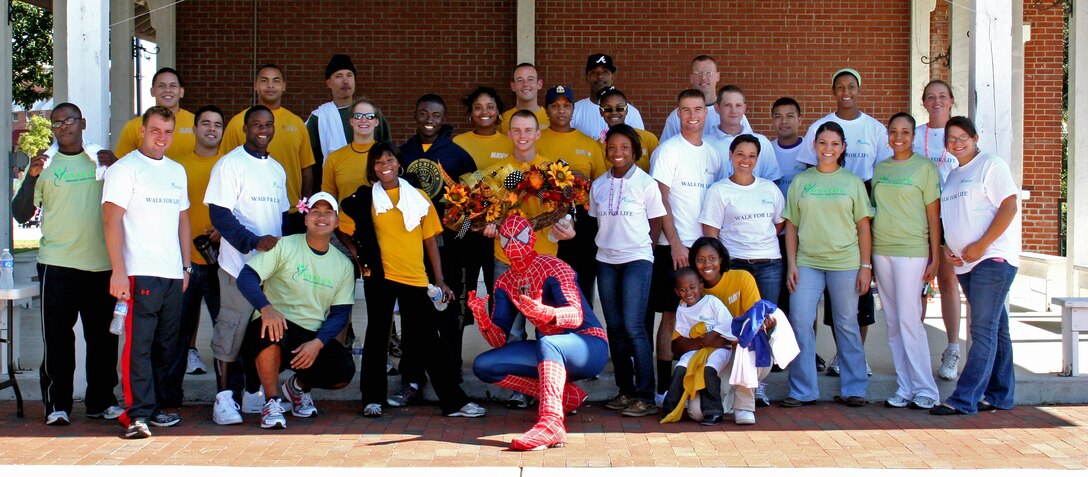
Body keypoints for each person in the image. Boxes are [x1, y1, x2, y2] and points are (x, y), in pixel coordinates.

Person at [341, 142, 485, 419]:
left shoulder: (418, 196)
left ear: (398, 163)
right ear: (372, 168)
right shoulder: (364, 199)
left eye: (390, 160)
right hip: (380, 276)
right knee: (377, 336)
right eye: (378, 162)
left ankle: (454, 402)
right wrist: (358, 254)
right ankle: (372, 399)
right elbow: (342, 225)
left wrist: (440, 279)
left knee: (429, 339)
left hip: (415, 276)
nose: (385, 166)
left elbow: (430, 240)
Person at [11, 103, 123, 426]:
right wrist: (31, 177)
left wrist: (116, 167)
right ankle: (56, 405)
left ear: (83, 123)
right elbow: (21, 213)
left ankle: (100, 402)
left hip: (101, 265)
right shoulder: (44, 165)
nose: (63, 127)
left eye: (69, 120)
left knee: (103, 341)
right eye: (57, 123)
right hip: (57, 266)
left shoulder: (101, 159)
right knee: (58, 340)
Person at [468, 215, 608, 450]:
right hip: (550, 351)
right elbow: (499, 339)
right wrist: (482, 318)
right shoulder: (505, 281)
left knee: (548, 342)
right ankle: (566, 397)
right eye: (506, 238)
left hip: (588, 345)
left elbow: (576, 316)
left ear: (532, 238)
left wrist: (544, 312)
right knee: (485, 365)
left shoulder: (555, 267)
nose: (513, 243)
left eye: (519, 236)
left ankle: (551, 424)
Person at [102, 106, 191, 439]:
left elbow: (183, 220)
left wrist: (185, 267)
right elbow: (111, 220)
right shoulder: (124, 170)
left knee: (164, 346)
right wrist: (119, 272)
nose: (161, 138)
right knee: (137, 346)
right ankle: (135, 414)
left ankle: (151, 408)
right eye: (155, 130)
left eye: (167, 132)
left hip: (171, 273)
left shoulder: (176, 171)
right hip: (138, 271)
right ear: (142, 131)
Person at [235, 192, 356, 429]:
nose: (321, 217)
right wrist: (266, 308)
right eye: (315, 212)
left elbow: (340, 312)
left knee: (343, 371)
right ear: (305, 218)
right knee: (269, 328)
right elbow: (246, 276)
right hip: (276, 325)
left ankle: (297, 388)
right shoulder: (284, 245)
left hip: (310, 336)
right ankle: (271, 402)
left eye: (328, 213)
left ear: (337, 221)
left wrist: (318, 343)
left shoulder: (343, 264)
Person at [797, 70, 888, 374]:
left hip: (857, 207)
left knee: (855, 306)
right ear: (833, 91)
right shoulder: (817, 128)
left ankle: (852, 360)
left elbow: (882, 172)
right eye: (840, 87)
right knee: (820, 306)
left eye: (851, 87)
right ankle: (817, 362)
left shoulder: (874, 128)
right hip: (820, 218)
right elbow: (811, 172)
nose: (846, 91)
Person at [204, 105, 290, 425]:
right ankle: (224, 398)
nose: (263, 130)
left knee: (261, 332)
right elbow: (220, 215)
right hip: (237, 265)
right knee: (231, 331)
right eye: (256, 124)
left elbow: (281, 218)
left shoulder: (277, 170)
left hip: (269, 269)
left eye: (268, 124)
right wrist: (253, 241)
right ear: (245, 128)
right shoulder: (230, 164)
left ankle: (253, 395)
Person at [931, 116, 1021, 416]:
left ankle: (964, 398)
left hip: (991, 259)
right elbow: (953, 219)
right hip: (964, 264)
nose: (957, 142)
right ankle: (1000, 395)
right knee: (997, 329)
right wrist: (948, 249)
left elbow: (1009, 205)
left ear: (975, 137)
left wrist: (981, 245)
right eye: (951, 139)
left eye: (962, 137)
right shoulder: (954, 175)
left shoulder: (991, 165)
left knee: (981, 329)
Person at [392, 93, 477, 408]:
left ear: (444, 119)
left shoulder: (458, 156)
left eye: (436, 114)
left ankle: (450, 377)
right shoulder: (402, 152)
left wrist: (459, 234)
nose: (430, 119)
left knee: (451, 316)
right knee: (415, 317)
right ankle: (411, 379)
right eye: (424, 112)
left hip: (451, 251)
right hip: (412, 251)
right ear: (415, 115)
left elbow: (473, 207)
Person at [780, 121, 873, 408]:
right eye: (822, 143)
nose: (828, 149)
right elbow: (792, 226)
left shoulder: (853, 183)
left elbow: (863, 228)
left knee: (847, 323)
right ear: (814, 146)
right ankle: (803, 390)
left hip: (846, 262)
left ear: (843, 147)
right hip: (807, 262)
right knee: (800, 321)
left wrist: (866, 266)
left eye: (834, 144)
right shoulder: (801, 181)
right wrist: (792, 264)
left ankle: (854, 388)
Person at [648, 89, 722, 406]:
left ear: (706, 114)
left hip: (703, 250)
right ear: (678, 114)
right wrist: (675, 241)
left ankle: (697, 381)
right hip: (672, 247)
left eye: (697, 109)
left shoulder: (714, 154)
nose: (692, 115)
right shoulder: (668, 150)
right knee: (669, 317)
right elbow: (660, 199)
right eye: (685, 110)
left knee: (705, 318)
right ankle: (663, 386)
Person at [590, 124, 665, 417]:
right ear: (606, 151)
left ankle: (645, 395)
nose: (618, 153)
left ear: (634, 150)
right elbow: (596, 221)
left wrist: (645, 249)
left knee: (635, 327)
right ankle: (626, 391)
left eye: (624, 148)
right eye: (612, 148)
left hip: (637, 259)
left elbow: (656, 222)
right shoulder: (599, 185)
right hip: (606, 260)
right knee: (616, 329)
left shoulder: (646, 184)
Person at [871, 112, 942, 410]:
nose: (899, 137)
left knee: (909, 320)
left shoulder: (924, 168)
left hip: (912, 251)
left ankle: (926, 388)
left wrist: (935, 257)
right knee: (892, 322)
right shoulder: (880, 168)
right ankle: (905, 387)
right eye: (894, 132)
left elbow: (933, 215)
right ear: (887, 135)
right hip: (881, 250)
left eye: (905, 132)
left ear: (914, 136)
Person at [164, 105, 225, 408]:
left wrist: (224, 228)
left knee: (225, 334)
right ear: (196, 129)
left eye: (217, 124)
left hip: (220, 264)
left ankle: (227, 395)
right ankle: (170, 396)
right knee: (176, 335)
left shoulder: (230, 166)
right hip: (183, 262)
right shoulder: (176, 166)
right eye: (205, 123)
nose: (211, 129)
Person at [220, 64, 314, 234]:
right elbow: (223, 170)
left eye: (276, 81)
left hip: (291, 213)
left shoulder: (297, 124)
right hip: (247, 212)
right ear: (255, 85)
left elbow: (306, 170)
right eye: (264, 80)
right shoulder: (237, 123)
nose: (270, 85)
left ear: (284, 86)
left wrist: (304, 207)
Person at [687, 237, 770, 421]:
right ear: (693, 262)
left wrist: (720, 336)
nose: (706, 264)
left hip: (746, 352)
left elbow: (754, 324)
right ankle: (732, 392)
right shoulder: (692, 289)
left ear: (721, 259)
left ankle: (744, 406)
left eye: (711, 258)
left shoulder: (742, 277)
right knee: (697, 413)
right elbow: (683, 339)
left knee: (751, 339)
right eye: (700, 259)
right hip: (715, 357)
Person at [913, 79, 963, 380]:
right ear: (923, 102)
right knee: (918, 285)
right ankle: (915, 349)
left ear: (951, 100)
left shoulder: (959, 135)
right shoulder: (917, 136)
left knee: (948, 282)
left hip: (952, 217)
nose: (937, 101)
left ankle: (953, 348)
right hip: (919, 218)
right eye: (931, 97)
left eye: (942, 96)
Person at [700, 134, 786, 306]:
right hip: (734, 264)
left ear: (757, 159)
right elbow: (710, 232)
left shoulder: (770, 188)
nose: (746, 160)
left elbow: (779, 222)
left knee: (766, 318)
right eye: (740, 154)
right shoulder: (719, 190)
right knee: (734, 319)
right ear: (730, 155)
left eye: (751, 155)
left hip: (769, 265)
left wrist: (758, 239)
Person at [537, 84, 604, 302]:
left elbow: (601, 186)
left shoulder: (589, 144)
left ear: (573, 109)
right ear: (546, 110)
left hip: (582, 222)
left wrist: (582, 181)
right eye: (555, 106)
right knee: (548, 286)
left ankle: (583, 331)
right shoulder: (537, 140)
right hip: (545, 219)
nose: (561, 110)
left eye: (566, 105)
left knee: (581, 282)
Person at [770, 96, 819, 369]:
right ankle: (778, 351)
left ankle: (807, 351)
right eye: (778, 116)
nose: (784, 121)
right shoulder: (767, 149)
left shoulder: (810, 152)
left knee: (804, 296)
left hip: (805, 232)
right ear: (772, 120)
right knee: (779, 296)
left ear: (800, 120)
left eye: (790, 116)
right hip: (775, 232)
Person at [660, 267, 734, 426]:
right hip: (698, 349)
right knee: (680, 367)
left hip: (719, 349)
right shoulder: (681, 310)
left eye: (692, 287)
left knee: (709, 370)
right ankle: (670, 407)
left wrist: (712, 335)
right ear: (677, 292)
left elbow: (728, 322)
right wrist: (701, 341)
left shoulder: (711, 302)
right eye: (683, 289)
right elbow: (682, 337)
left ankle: (714, 412)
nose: (688, 293)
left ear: (701, 286)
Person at [306, 54, 392, 190]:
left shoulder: (371, 114)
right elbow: (310, 161)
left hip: (374, 186)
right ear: (329, 82)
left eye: (349, 75)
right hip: (334, 187)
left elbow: (387, 149)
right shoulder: (319, 117)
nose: (345, 81)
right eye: (338, 76)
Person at [321, 99, 380, 251]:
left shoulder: (386, 155)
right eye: (358, 116)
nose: (364, 120)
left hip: (381, 232)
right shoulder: (335, 158)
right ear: (351, 121)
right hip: (344, 235)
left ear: (377, 122)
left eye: (369, 116)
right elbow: (328, 199)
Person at [113, 68, 196, 160]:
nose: (167, 90)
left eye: (173, 86)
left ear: (181, 92)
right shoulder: (133, 126)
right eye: (161, 86)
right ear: (152, 91)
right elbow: (122, 162)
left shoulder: (196, 124)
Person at [707, 86, 781, 181]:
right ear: (717, 108)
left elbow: (773, 181)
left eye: (738, 105)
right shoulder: (705, 144)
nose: (733, 111)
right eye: (727, 105)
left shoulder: (762, 142)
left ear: (744, 108)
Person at [571, 53, 645, 139]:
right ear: (587, 77)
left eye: (605, 72)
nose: (600, 76)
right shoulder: (575, 110)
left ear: (612, 77)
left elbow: (639, 144)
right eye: (594, 72)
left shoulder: (631, 112)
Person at [598, 87, 659, 171]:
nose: (614, 112)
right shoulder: (598, 146)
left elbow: (659, 172)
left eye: (619, 108)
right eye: (608, 109)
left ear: (626, 110)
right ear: (601, 112)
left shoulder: (648, 139)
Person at [453, 86, 512, 172]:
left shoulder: (511, 144)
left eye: (490, 107)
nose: (484, 112)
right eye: (478, 107)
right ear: (471, 112)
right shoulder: (458, 142)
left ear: (497, 111)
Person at [498, 63, 549, 133]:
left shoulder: (551, 118)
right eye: (520, 80)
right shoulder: (502, 120)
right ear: (513, 86)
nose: (525, 84)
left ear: (539, 84)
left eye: (530, 79)